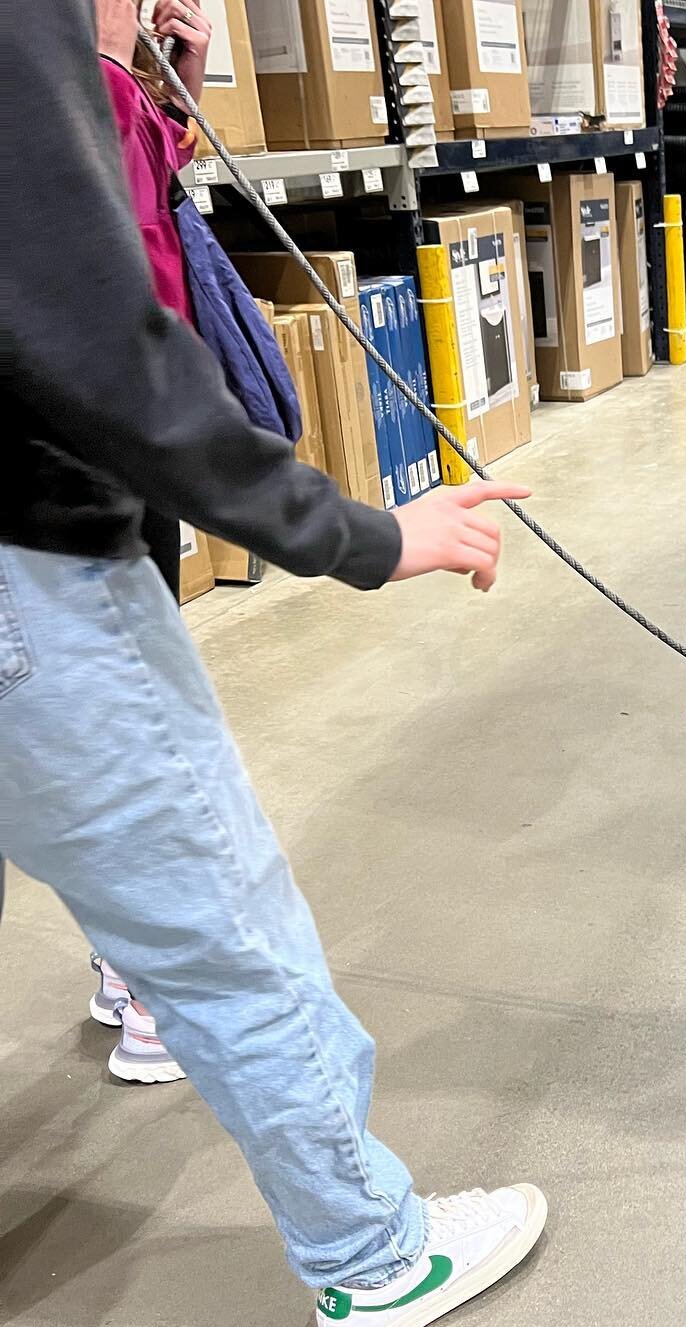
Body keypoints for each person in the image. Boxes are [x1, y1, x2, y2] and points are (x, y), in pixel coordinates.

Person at [1, 0, 546, 1327]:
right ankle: (375, 1258)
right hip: (25, 582)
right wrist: (364, 536)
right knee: (222, 936)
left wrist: (129, 90)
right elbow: (101, 348)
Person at [83, 0, 211, 1084]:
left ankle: (120, 965)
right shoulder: (59, 90)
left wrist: (179, 78)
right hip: (102, 457)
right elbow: (113, 266)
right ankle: (148, 1000)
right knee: (133, 725)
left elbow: (156, 189)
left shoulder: (106, 91)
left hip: (122, 452)